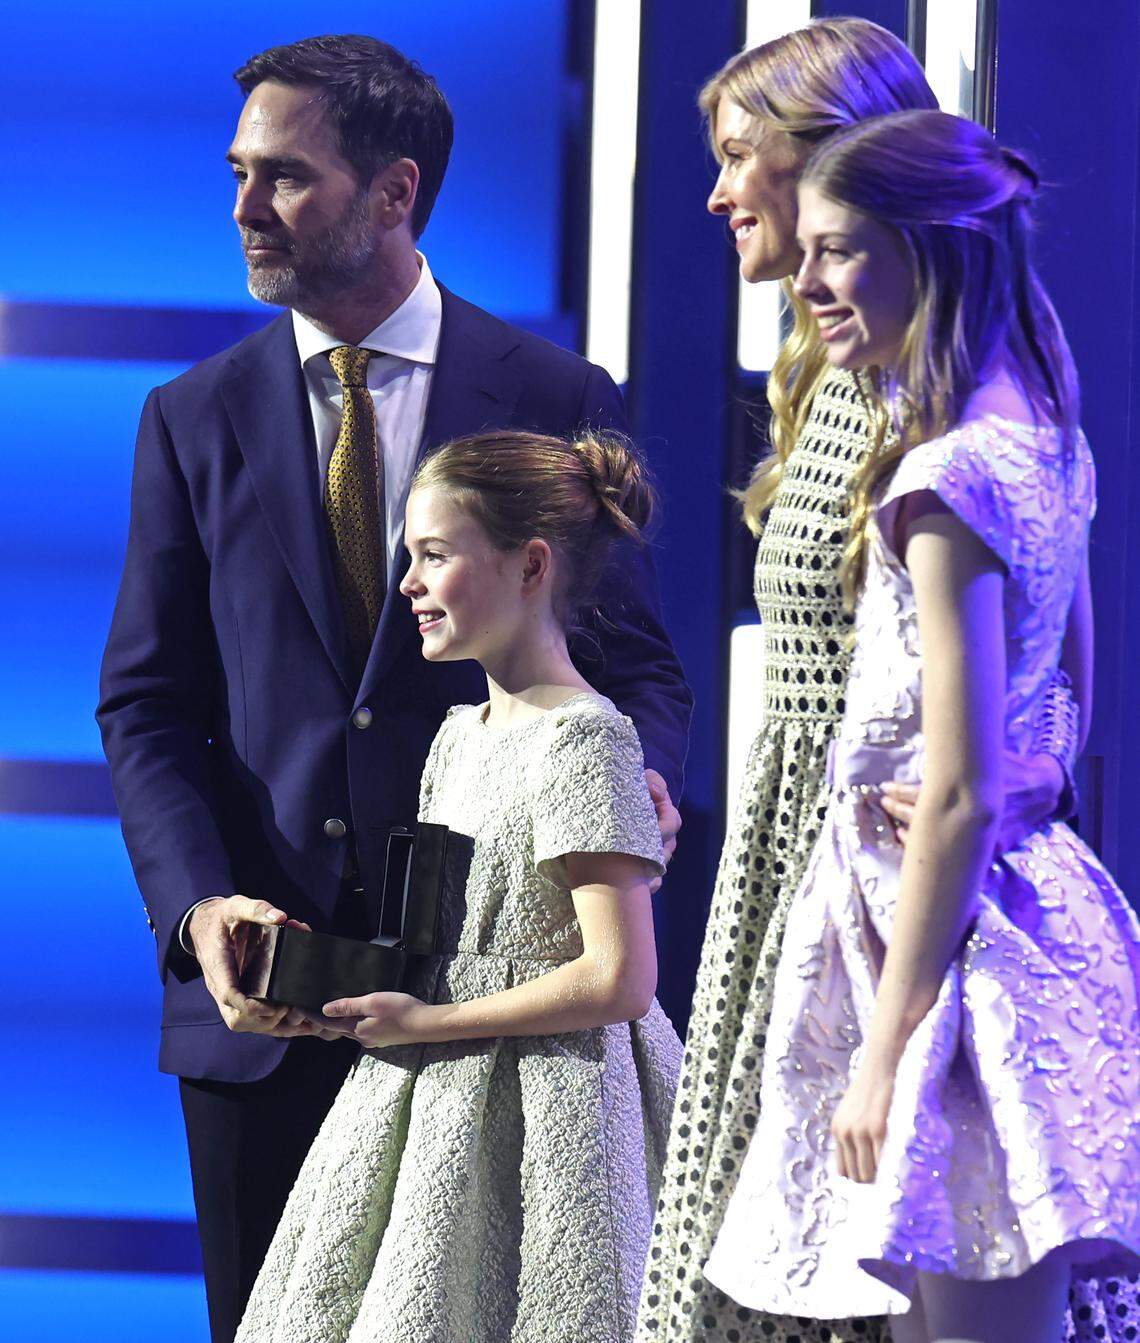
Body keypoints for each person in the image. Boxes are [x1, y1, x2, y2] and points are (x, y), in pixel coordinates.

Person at [96, 35, 690, 1343]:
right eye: (239, 174)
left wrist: (630, 789)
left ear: (395, 193)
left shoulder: (551, 395)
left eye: (284, 178)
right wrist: (200, 910)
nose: (245, 208)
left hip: (492, 1032)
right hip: (262, 1013)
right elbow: (145, 706)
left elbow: (640, 662)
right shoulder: (188, 418)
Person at [637, 19, 1133, 1343]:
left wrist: (1002, 782)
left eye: (746, 158)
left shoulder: (937, 423)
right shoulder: (914, 390)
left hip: (899, 885)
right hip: (832, 857)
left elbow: (1014, 694)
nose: (726, 195)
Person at [232, 429, 684, 1343]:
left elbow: (621, 979)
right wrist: (333, 994)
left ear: (531, 566)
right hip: (432, 1095)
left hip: (556, 1118)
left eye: (434, 555)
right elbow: (446, 943)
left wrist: (426, 1023)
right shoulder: (459, 734)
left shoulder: (586, 739)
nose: (408, 583)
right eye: (410, 555)